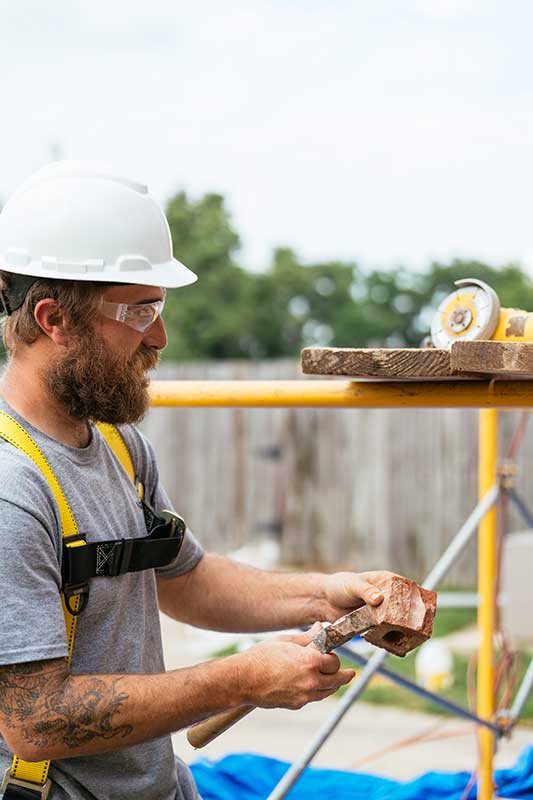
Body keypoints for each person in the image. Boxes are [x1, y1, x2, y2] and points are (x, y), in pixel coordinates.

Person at [0, 162, 394, 800]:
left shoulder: (119, 447)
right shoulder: (12, 490)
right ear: (53, 318)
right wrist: (240, 680)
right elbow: (35, 721)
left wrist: (326, 596)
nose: (159, 335)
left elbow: (186, 579)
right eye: (138, 310)